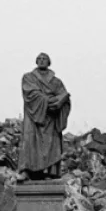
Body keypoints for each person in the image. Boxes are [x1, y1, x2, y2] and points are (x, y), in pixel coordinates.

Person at [18, 53, 71, 181]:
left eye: (44, 59)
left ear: (49, 62)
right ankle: (27, 171)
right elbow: (30, 93)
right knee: (30, 141)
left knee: (50, 143)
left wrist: (60, 102)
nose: (42, 61)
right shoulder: (28, 77)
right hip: (34, 115)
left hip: (51, 118)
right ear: (36, 61)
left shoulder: (56, 82)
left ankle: (49, 172)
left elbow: (64, 96)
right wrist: (49, 102)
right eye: (39, 59)